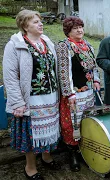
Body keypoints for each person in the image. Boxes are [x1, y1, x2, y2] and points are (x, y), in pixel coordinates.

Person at [3, 9, 61, 180]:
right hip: (30, 99)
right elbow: (10, 76)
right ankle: (30, 167)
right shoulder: (15, 45)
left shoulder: (47, 43)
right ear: (24, 25)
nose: (40, 24)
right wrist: (17, 102)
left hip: (50, 97)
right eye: (35, 21)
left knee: (49, 130)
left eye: (40, 21)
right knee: (32, 134)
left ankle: (46, 156)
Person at [56, 16, 100, 172]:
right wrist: (69, 93)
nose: (80, 30)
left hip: (88, 93)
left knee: (86, 121)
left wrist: (96, 81)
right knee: (72, 124)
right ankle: (72, 153)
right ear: (68, 31)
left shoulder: (87, 45)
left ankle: (84, 150)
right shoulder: (64, 46)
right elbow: (63, 72)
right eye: (75, 28)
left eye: (81, 27)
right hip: (74, 94)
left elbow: (93, 67)